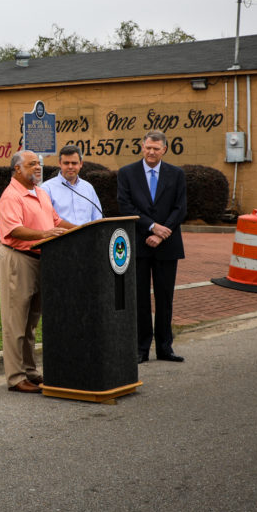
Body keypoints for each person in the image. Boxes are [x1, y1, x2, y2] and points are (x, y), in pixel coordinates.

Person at [0, 150, 76, 393]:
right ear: (17, 169)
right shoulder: (11, 196)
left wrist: (83, 230)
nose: (38, 168)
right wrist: (43, 235)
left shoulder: (40, 193)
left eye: (39, 164)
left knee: (31, 323)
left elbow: (55, 221)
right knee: (15, 322)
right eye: (32, 165)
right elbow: (15, 230)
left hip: (42, 260)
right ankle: (16, 377)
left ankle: (30, 372)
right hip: (19, 259)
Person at [116, 130, 187, 363]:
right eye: (148, 147)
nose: (151, 152)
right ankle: (141, 348)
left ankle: (165, 348)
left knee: (165, 298)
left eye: (156, 148)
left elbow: (180, 208)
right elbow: (125, 205)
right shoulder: (127, 173)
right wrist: (152, 227)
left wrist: (162, 232)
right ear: (142, 147)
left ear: (164, 149)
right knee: (140, 298)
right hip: (139, 242)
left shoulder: (176, 174)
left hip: (167, 244)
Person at [42, 144, 104, 225]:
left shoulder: (88, 188)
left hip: (87, 236)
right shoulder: (47, 188)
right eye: (66, 163)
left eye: (74, 163)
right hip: (62, 236)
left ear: (80, 164)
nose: (70, 167)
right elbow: (45, 219)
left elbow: (97, 217)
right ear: (60, 163)